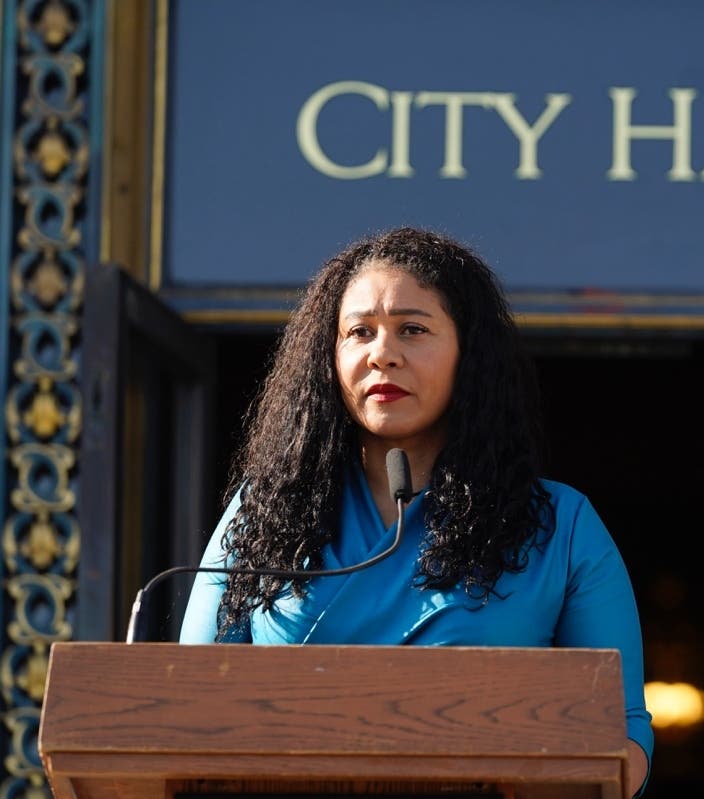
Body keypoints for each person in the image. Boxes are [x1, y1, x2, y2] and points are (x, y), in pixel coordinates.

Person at [179, 226, 652, 796]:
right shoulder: (263, 513)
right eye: (359, 332)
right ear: (329, 358)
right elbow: (188, 709)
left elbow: (620, 736)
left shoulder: (561, 525)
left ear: (469, 355)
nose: (383, 354)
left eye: (413, 329)